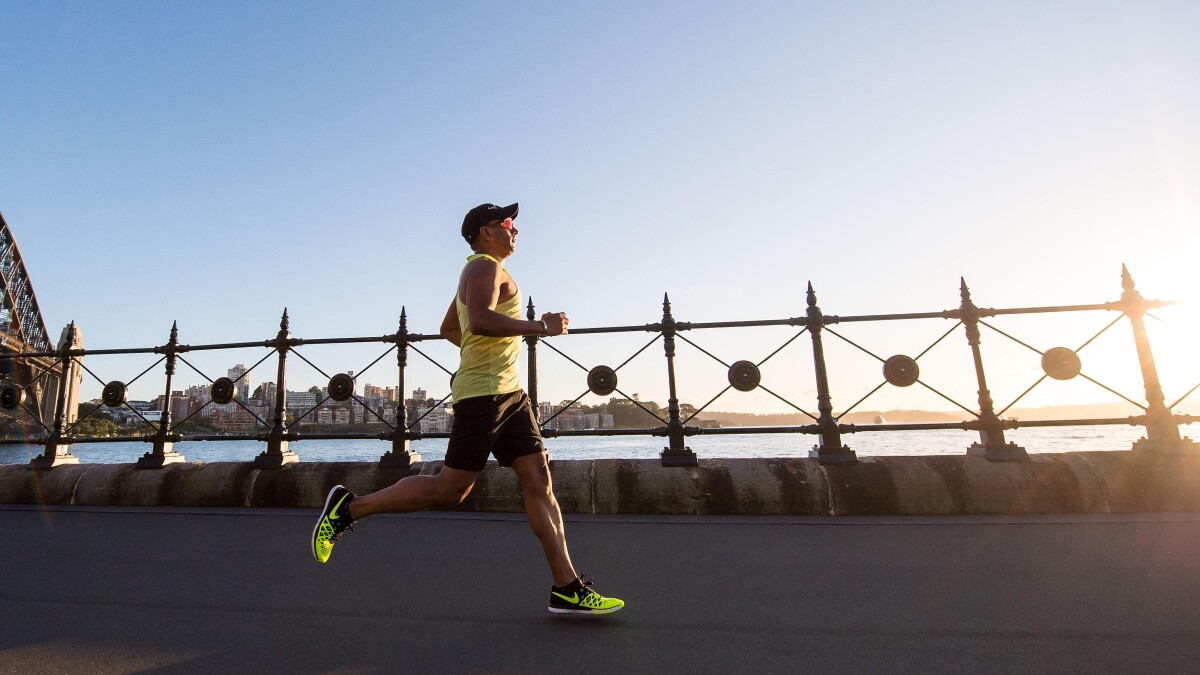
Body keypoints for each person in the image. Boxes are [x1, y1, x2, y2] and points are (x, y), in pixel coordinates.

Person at [311, 202, 624, 615]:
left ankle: (567, 587)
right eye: (508, 223)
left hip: (510, 394)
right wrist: (539, 328)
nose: (516, 230)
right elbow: (477, 321)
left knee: (539, 479)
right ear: (485, 231)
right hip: (484, 396)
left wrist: (487, 355)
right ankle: (347, 509)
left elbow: (450, 329)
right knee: (450, 490)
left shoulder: (487, 269)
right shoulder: (483, 267)